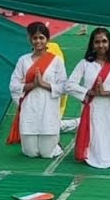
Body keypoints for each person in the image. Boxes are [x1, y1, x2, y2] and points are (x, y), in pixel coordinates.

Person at [67, 27, 110, 169]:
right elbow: (70, 85)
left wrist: (107, 93)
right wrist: (89, 92)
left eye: (104, 41)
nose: (101, 45)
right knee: (95, 134)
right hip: (93, 108)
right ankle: (92, 155)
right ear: (92, 44)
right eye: (97, 42)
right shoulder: (85, 64)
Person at [6, 21, 68, 159]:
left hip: (48, 109)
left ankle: (56, 145)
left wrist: (43, 84)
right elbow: (13, 85)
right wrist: (32, 85)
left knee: (46, 154)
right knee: (30, 153)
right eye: (35, 38)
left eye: (41, 38)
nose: (38, 41)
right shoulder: (23, 60)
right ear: (30, 39)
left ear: (47, 39)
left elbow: (64, 87)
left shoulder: (56, 61)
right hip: (30, 109)